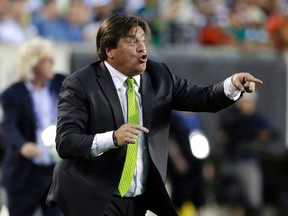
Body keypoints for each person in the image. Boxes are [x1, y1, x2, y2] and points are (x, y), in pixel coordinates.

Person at [46, 13, 262, 216]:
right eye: (131, 41)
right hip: (93, 196)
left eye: (143, 40)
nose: (142, 48)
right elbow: (66, 142)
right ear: (109, 50)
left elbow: (203, 97)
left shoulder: (159, 76)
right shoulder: (80, 83)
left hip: (139, 198)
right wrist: (112, 138)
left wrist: (233, 84)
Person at [0, 37, 65, 216]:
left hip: (54, 172)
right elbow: (8, 126)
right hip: (24, 174)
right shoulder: (13, 94)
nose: (52, 63)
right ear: (33, 64)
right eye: (47, 60)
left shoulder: (62, 83)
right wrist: (23, 145)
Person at [216, 91, 278, 216]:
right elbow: (223, 134)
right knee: (231, 199)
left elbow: (273, 133)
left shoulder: (257, 118)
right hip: (231, 160)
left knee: (252, 200)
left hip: (248, 161)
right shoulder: (230, 116)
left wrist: (264, 135)